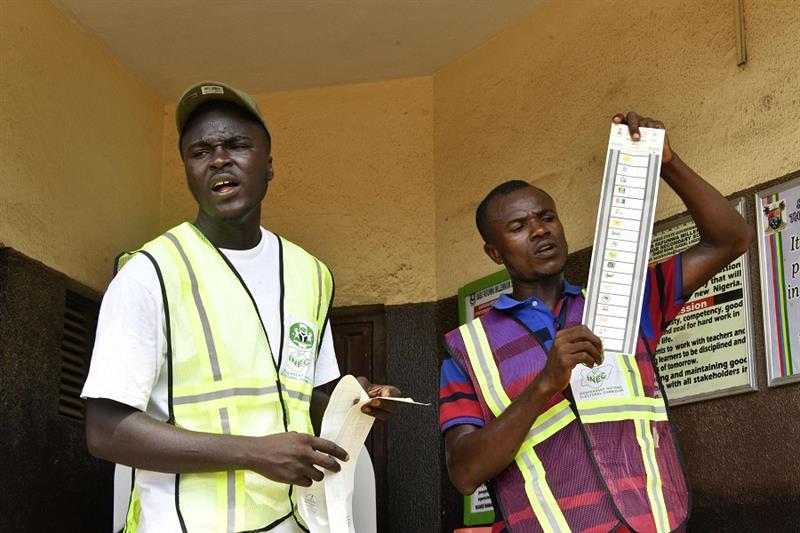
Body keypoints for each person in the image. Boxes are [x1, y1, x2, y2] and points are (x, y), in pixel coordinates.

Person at [82, 81, 399, 533]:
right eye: (199, 151)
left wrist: (353, 403)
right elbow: (105, 430)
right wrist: (254, 452)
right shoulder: (150, 273)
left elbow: (306, 396)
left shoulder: (310, 273)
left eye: (236, 145)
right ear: (189, 171)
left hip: (294, 522)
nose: (218, 159)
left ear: (268, 166)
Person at [439, 112, 753, 533]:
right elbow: (464, 472)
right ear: (494, 253)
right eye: (518, 227)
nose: (538, 231)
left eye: (547, 217)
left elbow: (730, 239)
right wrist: (545, 383)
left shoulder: (623, 301)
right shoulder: (469, 349)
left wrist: (667, 162)